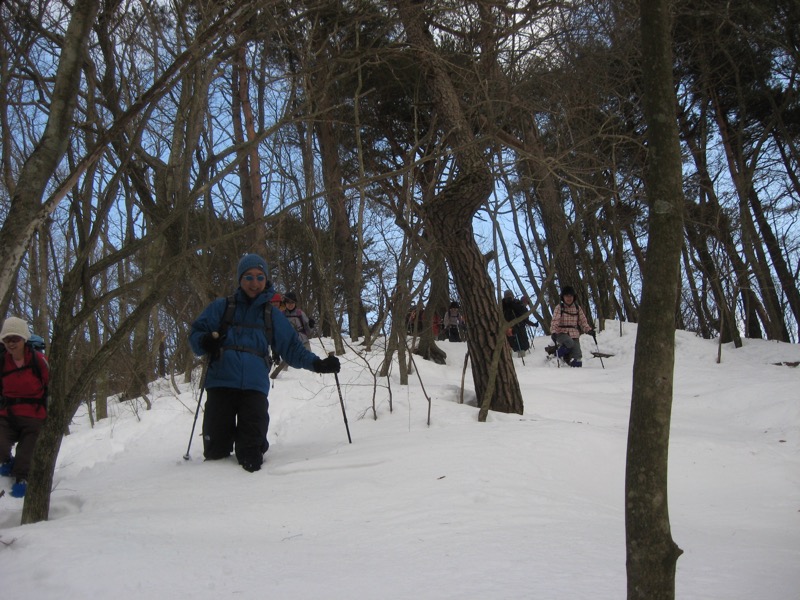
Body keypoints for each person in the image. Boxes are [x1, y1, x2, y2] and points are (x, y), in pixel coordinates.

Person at [189, 254, 340, 473]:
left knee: (251, 457)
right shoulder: (222, 307)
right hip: (221, 384)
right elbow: (196, 335)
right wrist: (204, 342)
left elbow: (292, 348)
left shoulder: (271, 315)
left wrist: (318, 364)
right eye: (249, 277)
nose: (254, 283)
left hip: (254, 389)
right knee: (215, 454)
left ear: (266, 280)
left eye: (260, 277)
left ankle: (254, 502)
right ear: (240, 279)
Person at [0, 316, 49, 498]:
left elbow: (49, 384)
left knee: (26, 453)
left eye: (15, 339)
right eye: (7, 339)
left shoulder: (38, 360)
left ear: (24, 339)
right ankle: (6, 462)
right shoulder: (2, 361)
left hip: (34, 416)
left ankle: (22, 479)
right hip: (7, 413)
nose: (11, 343)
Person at [271, 291, 315, 379]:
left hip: (302, 341)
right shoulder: (282, 315)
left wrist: (311, 325)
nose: (290, 305)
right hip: (289, 342)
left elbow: (308, 330)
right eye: (288, 303)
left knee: (308, 359)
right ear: (285, 303)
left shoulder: (300, 313)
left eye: (292, 303)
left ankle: (313, 377)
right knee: (286, 361)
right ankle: (279, 377)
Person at [550, 285, 594, 368]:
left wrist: (589, 330)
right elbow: (555, 320)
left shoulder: (577, 308)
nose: (569, 298)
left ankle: (575, 371)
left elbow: (583, 321)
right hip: (561, 332)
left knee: (578, 356)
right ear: (563, 297)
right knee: (569, 342)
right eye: (566, 296)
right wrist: (553, 332)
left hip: (574, 334)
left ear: (574, 297)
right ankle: (556, 357)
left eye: (571, 296)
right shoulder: (559, 307)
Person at [502, 290, 533, 358]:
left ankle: (523, 360)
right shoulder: (502, 306)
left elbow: (525, 313)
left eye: (510, 296)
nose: (509, 298)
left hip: (519, 328)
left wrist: (513, 304)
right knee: (512, 345)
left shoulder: (517, 303)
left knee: (522, 345)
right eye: (507, 297)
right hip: (508, 329)